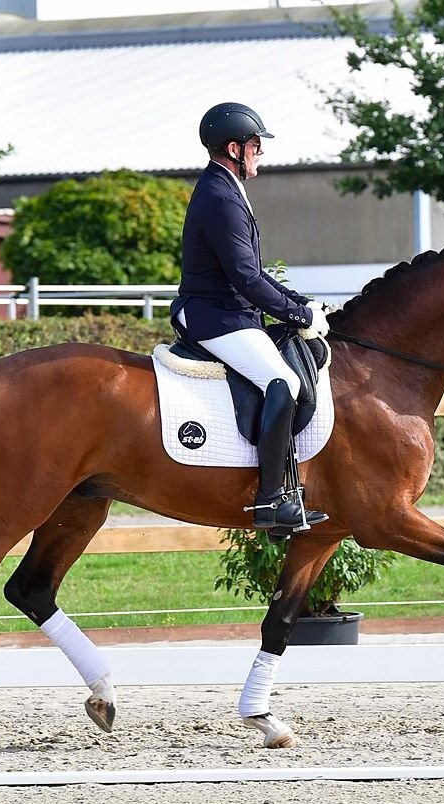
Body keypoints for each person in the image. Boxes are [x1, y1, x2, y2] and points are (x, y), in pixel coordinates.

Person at [171, 102, 330, 532]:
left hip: (228, 313)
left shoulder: (225, 188)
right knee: (285, 382)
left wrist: (303, 304)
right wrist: (297, 313)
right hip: (214, 317)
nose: (261, 152)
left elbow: (255, 273)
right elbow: (245, 278)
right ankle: (269, 503)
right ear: (234, 148)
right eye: (256, 145)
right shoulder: (220, 196)